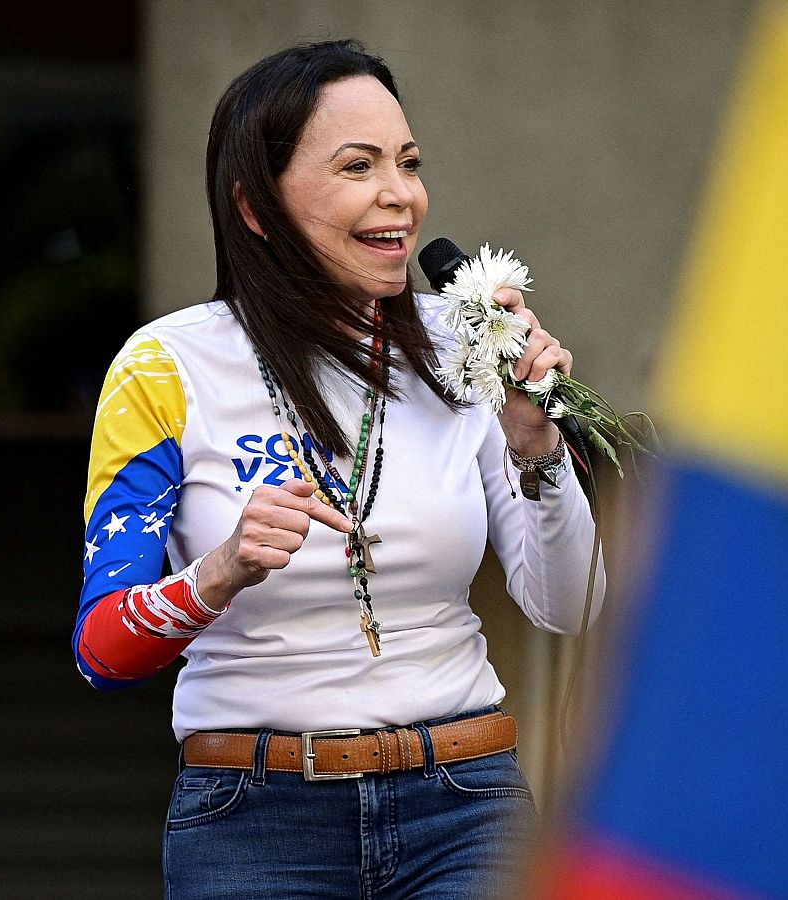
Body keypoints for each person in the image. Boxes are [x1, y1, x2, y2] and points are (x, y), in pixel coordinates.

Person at [71, 39, 604, 898]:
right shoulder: (164, 368)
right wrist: (221, 571)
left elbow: (571, 606)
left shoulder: (467, 345)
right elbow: (103, 649)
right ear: (255, 207)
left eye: (409, 163)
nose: (401, 195)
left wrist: (535, 445)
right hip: (252, 817)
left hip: (465, 804)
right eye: (358, 166)